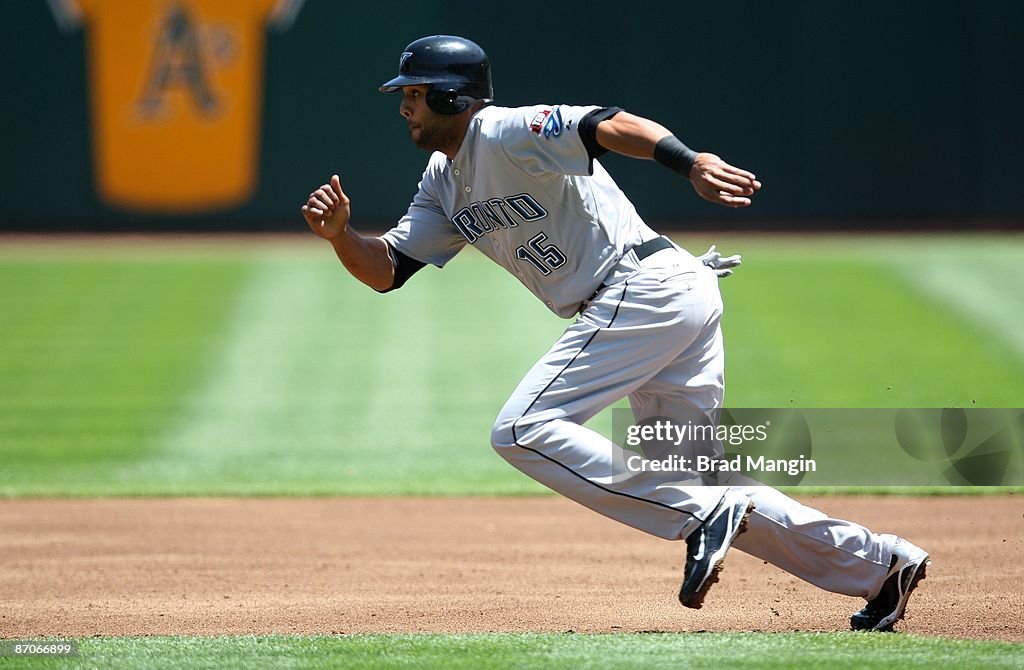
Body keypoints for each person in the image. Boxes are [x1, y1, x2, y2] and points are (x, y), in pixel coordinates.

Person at [301, 35, 929, 631]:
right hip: (662, 297)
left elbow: (607, 122)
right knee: (693, 477)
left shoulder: (505, 130)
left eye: (414, 93)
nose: (404, 107)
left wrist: (691, 163)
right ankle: (881, 568)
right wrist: (340, 239)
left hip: (642, 288)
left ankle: (704, 516)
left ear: (451, 98)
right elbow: (387, 270)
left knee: (522, 429)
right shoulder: (441, 182)